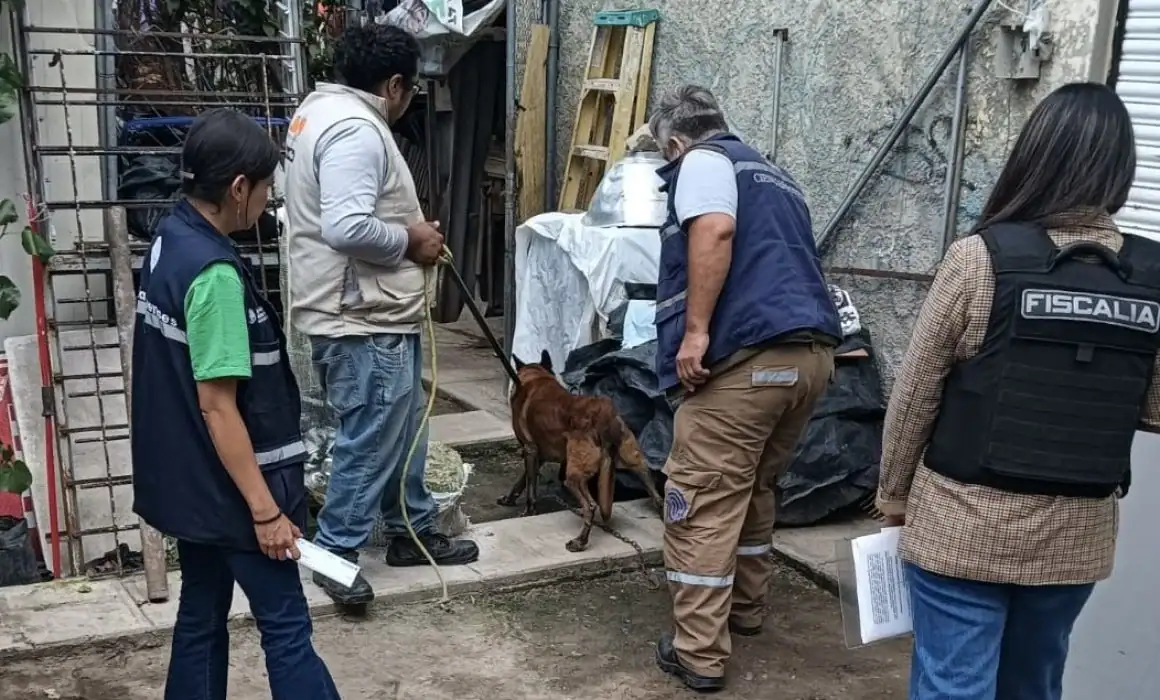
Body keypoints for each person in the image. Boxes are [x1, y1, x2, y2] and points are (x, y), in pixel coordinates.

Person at [877, 82, 1160, 700]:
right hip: (1074, 538)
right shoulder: (1151, 274)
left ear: (1034, 157)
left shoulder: (979, 259)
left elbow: (916, 395)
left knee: (954, 685)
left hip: (961, 527)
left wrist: (893, 496)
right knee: (1033, 685)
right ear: (1121, 169)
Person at [131, 108, 340, 700]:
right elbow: (218, 406)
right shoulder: (215, 275)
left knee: (200, 614)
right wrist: (266, 512)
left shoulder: (171, 237)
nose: (269, 199)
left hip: (191, 482)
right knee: (286, 627)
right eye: (267, 185)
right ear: (239, 188)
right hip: (236, 488)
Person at [647, 85, 842, 692]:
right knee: (754, 485)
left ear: (675, 144)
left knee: (702, 499)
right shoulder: (773, 174)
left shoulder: (703, 162)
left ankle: (698, 653)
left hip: (750, 362)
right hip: (809, 359)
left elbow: (715, 232)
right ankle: (746, 609)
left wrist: (695, 333)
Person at [282, 22, 479, 607]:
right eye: (412, 88)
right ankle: (335, 553)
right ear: (394, 85)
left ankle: (409, 530)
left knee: (405, 426)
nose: (410, 98)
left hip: (370, 310)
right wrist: (410, 240)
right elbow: (346, 227)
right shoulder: (355, 130)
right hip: (360, 316)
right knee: (370, 437)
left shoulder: (317, 112)